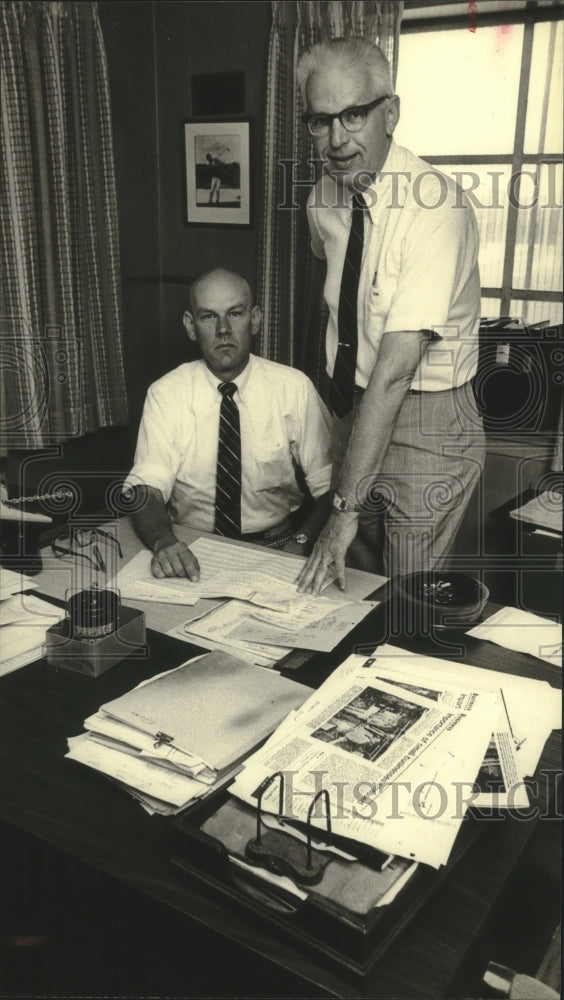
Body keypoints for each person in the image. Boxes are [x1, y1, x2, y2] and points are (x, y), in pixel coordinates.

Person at [295, 37, 485, 594]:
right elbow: (337, 289)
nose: (336, 139)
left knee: (404, 597)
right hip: (355, 405)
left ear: (391, 113)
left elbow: (396, 371)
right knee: (349, 584)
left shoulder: (437, 208)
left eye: (353, 115)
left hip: (429, 418)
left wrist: (343, 510)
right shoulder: (321, 200)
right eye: (320, 120)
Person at [126, 268, 333, 580]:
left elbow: (332, 488)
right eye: (208, 317)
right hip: (190, 546)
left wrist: (301, 542)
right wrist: (165, 542)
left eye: (234, 313)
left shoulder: (294, 388)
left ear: (256, 319)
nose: (223, 329)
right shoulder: (166, 393)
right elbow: (144, 489)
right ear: (190, 326)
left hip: (277, 546)